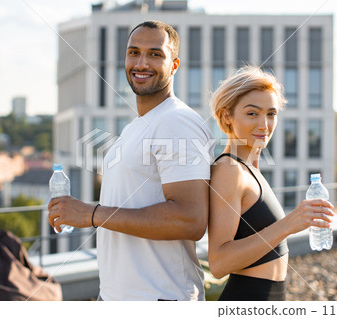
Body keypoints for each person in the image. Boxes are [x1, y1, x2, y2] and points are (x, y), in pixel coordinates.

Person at [48, 20, 214, 301]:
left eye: (155, 54)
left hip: (159, 298)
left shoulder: (177, 121)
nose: (141, 62)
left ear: (174, 65)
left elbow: (191, 219)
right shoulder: (136, 127)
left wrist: (91, 214)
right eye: (133, 52)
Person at [207, 65, 334, 301]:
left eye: (271, 114)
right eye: (252, 113)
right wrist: (289, 224)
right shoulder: (229, 170)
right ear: (227, 116)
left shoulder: (250, 169)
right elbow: (219, 262)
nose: (264, 125)